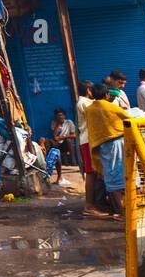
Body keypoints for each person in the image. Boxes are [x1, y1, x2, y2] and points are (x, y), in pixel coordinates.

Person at [86, 85, 131, 220]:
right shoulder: (111, 107)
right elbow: (129, 119)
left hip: (103, 146)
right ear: (106, 94)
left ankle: (120, 211)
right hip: (121, 143)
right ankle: (128, 211)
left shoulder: (89, 110)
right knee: (129, 174)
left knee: (111, 177)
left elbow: (92, 128)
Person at [74, 81, 105, 218]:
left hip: (91, 140)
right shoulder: (84, 103)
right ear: (88, 90)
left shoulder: (86, 102)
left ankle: (96, 203)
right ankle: (89, 205)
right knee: (91, 173)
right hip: (87, 141)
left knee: (95, 172)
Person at [48, 109, 77, 176]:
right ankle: (53, 163)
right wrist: (58, 124)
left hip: (66, 141)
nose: (60, 117)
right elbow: (54, 135)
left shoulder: (69, 122)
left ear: (64, 116)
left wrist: (63, 137)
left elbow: (74, 135)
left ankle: (73, 160)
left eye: (61, 115)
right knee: (51, 142)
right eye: (58, 115)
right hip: (58, 143)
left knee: (69, 141)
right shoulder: (54, 123)